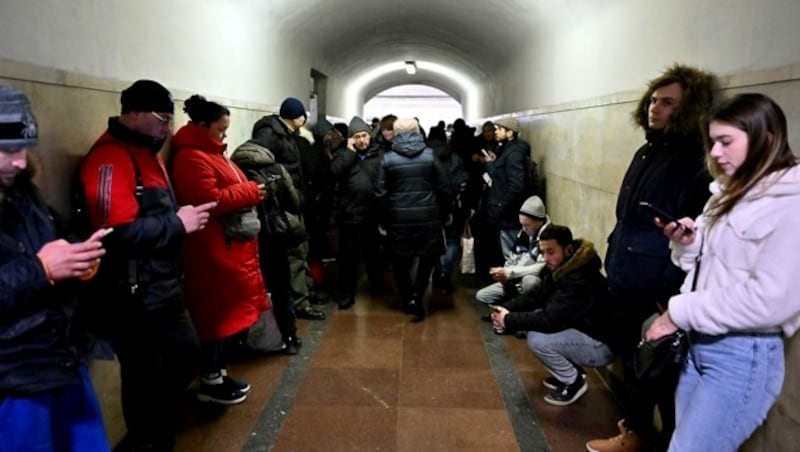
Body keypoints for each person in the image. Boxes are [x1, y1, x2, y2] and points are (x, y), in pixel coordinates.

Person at [645, 93, 800, 452]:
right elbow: (708, 267)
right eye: (712, 142)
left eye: (725, 142)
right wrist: (688, 243)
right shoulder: (727, 193)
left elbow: (772, 300)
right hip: (701, 344)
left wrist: (678, 313)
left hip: (743, 354)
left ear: (767, 139)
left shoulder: (790, 205)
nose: (715, 153)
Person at [79, 80, 213, 451]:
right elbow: (113, 231)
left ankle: (155, 433)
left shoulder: (147, 153)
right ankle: (147, 441)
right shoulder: (110, 157)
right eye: (161, 119)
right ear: (133, 113)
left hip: (162, 285)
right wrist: (177, 223)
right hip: (133, 294)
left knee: (184, 356)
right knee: (141, 378)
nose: (167, 129)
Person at [587, 64, 714, 452]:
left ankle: (646, 437)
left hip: (658, 284)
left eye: (667, 103)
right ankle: (639, 431)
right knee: (640, 365)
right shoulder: (648, 151)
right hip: (628, 274)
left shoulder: (694, 160)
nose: (654, 109)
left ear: (689, 109)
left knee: (660, 374)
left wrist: (672, 296)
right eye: (653, 101)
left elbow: (695, 232)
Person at [0, 85, 110, 451]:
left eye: (23, 149)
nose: (19, 161)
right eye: (7, 150)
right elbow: (38, 263)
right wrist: (42, 268)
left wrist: (81, 256)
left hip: (59, 358)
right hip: (15, 379)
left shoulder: (21, 190)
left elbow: (55, 232)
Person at [169, 95, 270, 404]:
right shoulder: (191, 157)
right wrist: (250, 190)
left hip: (227, 246)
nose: (225, 136)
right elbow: (208, 198)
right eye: (221, 129)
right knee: (215, 316)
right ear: (201, 126)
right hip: (210, 249)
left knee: (225, 314)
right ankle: (211, 380)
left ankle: (218, 373)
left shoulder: (210, 152)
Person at [492, 225, 614, 406]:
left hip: (601, 345)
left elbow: (550, 319)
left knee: (537, 338)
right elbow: (536, 295)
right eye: (543, 252)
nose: (546, 258)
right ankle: (568, 373)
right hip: (584, 331)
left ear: (568, 249)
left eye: (551, 252)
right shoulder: (564, 267)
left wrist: (508, 320)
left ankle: (573, 382)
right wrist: (503, 308)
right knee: (535, 322)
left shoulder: (579, 280)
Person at [252, 97, 325, 321]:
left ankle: (305, 294)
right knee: (294, 253)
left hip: (291, 202)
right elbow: (264, 167)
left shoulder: (285, 134)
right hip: (283, 206)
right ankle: (300, 302)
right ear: (297, 117)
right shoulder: (271, 134)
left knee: (300, 250)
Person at [231, 137, 305, 355]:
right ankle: (289, 337)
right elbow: (294, 203)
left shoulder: (234, 170)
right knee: (282, 288)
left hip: (244, 239)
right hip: (274, 236)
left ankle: (242, 340)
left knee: (245, 292)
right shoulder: (277, 170)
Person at [376, 118, 451, 320]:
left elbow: (381, 193)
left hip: (399, 218)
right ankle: (419, 294)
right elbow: (445, 188)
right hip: (428, 216)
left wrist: (384, 220)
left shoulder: (388, 159)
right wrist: (444, 214)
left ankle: (407, 297)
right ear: (418, 131)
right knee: (427, 259)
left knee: (401, 261)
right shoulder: (429, 156)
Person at [330, 116, 384, 309]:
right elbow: (334, 173)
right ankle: (346, 294)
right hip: (349, 215)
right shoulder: (343, 154)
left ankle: (377, 286)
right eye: (357, 137)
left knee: (374, 255)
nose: (362, 140)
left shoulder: (379, 154)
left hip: (372, 214)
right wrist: (349, 152)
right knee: (347, 259)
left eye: (364, 136)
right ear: (350, 139)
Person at [475, 195, 550, 310]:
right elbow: (512, 257)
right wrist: (505, 276)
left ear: (539, 222)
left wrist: (509, 273)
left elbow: (539, 268)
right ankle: (511, 307)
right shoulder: (523, 234)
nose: (523, 228)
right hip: (515, 280)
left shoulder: (548, 238)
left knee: (529, 281)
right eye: (522, 225)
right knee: (482, 296)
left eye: (527, 225)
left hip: (531, 280)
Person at [485, 117, 532, 261]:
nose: (496, 132)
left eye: (499, 129)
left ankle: (511, 279)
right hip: (506, 213)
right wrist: (493, 163)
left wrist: (502, 205)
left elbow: (516, 185)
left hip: (509, 214)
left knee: (511, 254)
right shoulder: (507, 150)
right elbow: (501, 176)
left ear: (510, 132)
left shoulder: (514, 153)